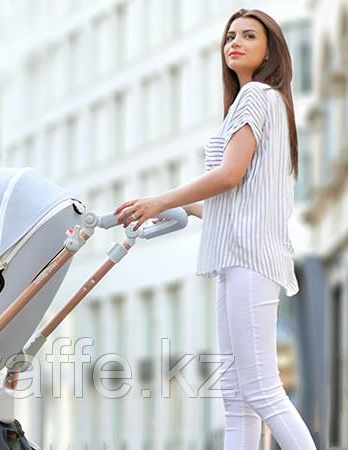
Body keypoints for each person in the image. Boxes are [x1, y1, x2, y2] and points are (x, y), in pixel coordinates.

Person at [114, 8, 316, 450]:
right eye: (230, 37)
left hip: (248, 259)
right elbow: (239, 198)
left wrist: (162, 199)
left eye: (248, 36)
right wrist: (187, 212)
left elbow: (229, 175)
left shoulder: (256, 96)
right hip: (238, 256)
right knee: (236, 398)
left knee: (261, 389)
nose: (235, 43)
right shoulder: (268, 104)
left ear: (270, 50)